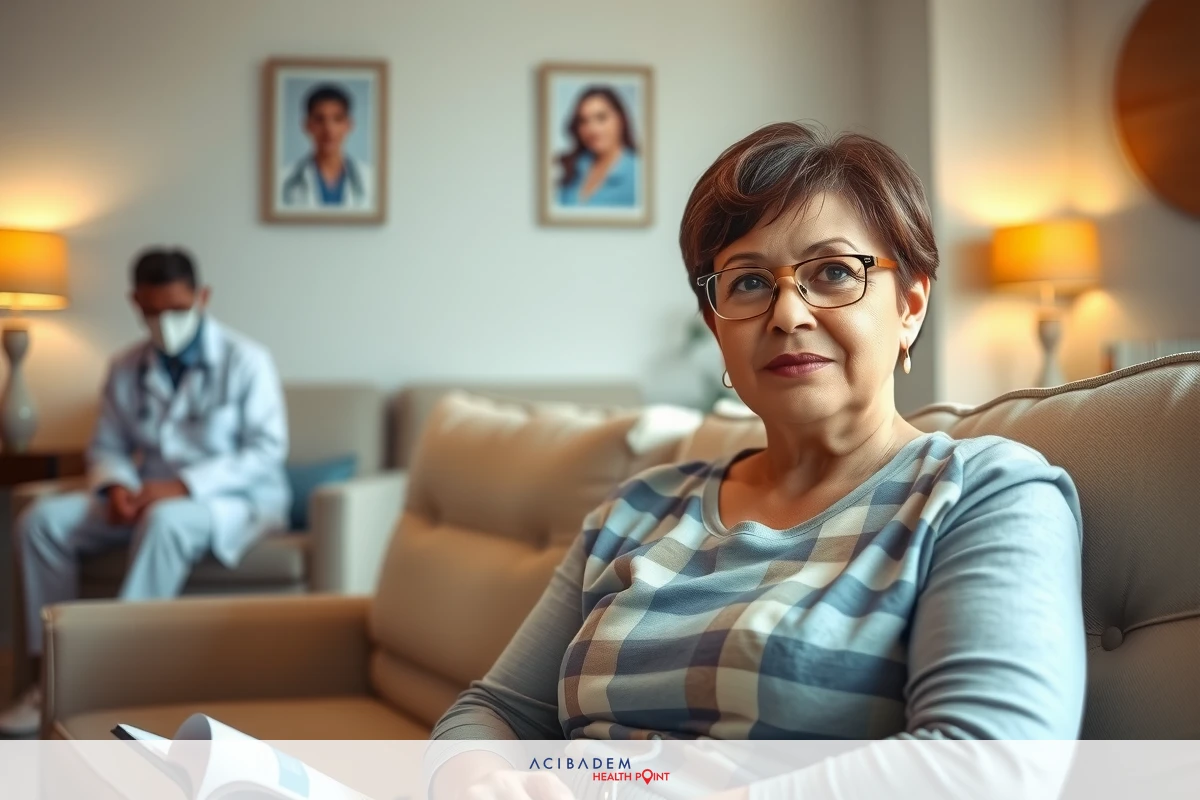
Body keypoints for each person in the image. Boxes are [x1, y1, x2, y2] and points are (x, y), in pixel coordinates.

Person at [428, 123, 1087, 797]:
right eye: (747, 283)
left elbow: (988, 766)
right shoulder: (636, 509)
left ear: (910, 307)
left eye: (833, 272)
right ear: (718, 328)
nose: (787, 312)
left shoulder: (985, 492)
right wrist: (476, 781)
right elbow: (493, 711)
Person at [0, 248, 290, 737]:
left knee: (166, 520)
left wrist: (182, 486)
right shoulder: (124, 366)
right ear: (136, 302)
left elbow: (267, 450)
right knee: (39, 522)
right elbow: (108, 446)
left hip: (234, 500)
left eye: (178, 310)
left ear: (202, 297)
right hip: (144, 494)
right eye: (154, 312)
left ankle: (112, 679)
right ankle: (50, 678)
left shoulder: (247, 361)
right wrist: (115, 487)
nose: (166, 323)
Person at [280, 83, 373, 209]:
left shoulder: (370, 179)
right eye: (319, 119)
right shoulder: (283, 179)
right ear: (307, 125)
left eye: (337, 119)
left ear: (349, 125)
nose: (328, 129)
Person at [556, 86, 640, 208]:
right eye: (583, 121)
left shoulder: (637, 172)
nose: (592, 129)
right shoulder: (572, 168)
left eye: (601, 118)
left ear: (621, 119)